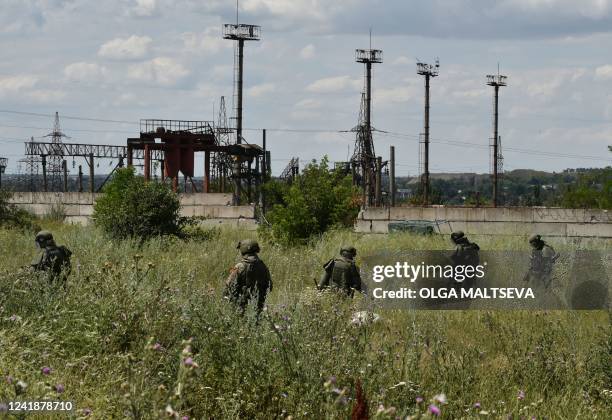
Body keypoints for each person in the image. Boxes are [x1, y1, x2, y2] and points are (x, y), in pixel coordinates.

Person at [224, 239, 272, 315]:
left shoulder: (240, 266)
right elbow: (270, 286)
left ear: (243, 250)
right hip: (258, 308)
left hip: (240, 307)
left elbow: (228, 285)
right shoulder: (263, 266)